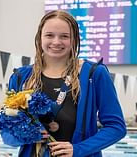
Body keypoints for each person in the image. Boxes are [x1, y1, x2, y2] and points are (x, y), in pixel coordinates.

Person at [7, 10, 126, 157]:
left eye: (64, 36)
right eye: (49, 35)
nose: (56, 42)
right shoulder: (21, 77)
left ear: (74, 39)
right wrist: (25, 133)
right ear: (39, 38)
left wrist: (78, 150)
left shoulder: (94, 74)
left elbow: (116, 127)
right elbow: (8, 133)